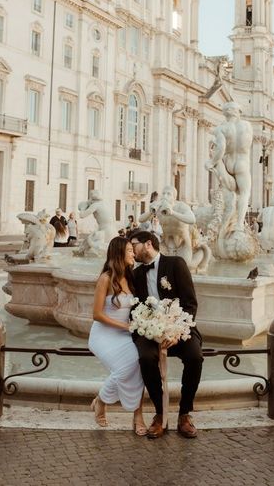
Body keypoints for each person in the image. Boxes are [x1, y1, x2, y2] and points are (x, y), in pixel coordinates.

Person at [129, 230, 203, 439]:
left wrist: (177, 331)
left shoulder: (176, 264)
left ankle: (184, 414)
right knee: (145, 357)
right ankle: (160, 413)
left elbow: (190, 303)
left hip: (180, 328)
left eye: (134, 244)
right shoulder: (136, 274)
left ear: (148, 244)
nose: (132, 249)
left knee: (195, 357)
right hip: (150, 331)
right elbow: (136, 308)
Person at [88, 236, 147, 435]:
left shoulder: (131, 277)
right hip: (103, 335)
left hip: (123, 334)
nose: (134, 253)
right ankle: (101, 402)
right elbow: (96, 314)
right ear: (120, 253)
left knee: (139, 363)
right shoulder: (105, 278)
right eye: (130, 250)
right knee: (124, 368)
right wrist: (124, 325)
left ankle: (137, 415)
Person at [205, 101, 253, 232]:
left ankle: (226, 223)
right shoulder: (247, 125)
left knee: (230, 193)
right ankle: (238, 225)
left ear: (225, 114)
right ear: (238, 112)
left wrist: (212, 161)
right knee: (244, 193)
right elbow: (247, 145)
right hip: (242, 163)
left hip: (228, 163)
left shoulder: (222, 128)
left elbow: (221, 149)